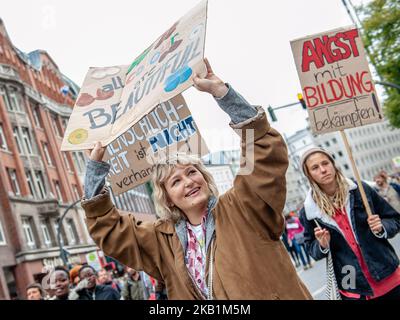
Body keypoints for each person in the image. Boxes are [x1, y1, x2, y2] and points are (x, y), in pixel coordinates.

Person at [81, 59, 312, 300]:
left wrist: (222, 93)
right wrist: (95, 168)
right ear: (168, 198)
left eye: (192, 172)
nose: (189, 181)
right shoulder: (161, 240)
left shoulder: (242, 207)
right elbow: (108, 229)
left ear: (204, 177)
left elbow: (264, 153)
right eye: (176, 181)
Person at [299, 147, 400, 300]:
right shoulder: (309, 212)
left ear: (333, 164)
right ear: (309, 175)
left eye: (325, 163)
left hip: (387, 274)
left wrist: (382, 227)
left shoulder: (360, 189)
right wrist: (323, 245)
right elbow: (311, 249)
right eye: (315, 168)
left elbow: (394, 219)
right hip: (352, 285)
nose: (323, 170)